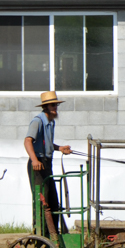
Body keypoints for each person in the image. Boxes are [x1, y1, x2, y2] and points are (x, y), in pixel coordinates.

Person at [24, 91, 72, 234]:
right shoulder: (37, 121)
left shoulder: (51, 123)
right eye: (52, 105)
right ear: (45, 107)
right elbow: (27, 141)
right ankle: (39, 234)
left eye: (56, 105)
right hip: (38, 164)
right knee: (41, 201)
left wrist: (60, 148)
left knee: (53, 201)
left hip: (47, 163)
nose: (55, 108)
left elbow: (48, 143)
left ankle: (54, 234)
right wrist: (34, 160)